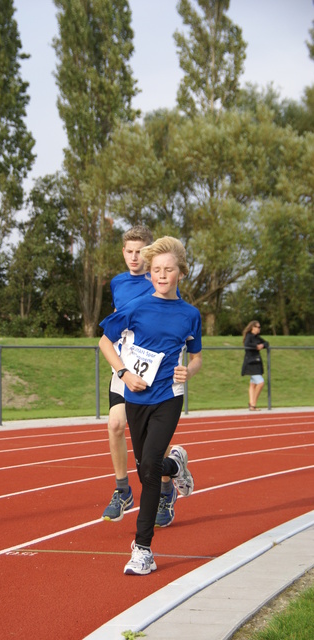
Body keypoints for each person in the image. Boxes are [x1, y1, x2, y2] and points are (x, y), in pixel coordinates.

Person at [99, 236, 202, 575]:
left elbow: (197, 356)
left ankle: (142, 549)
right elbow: (104, 341)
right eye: (156, 270)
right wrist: (125, 374)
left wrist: (190, 370)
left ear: (180, 273)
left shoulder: (190, 314)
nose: (161, 275)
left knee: (149, 467)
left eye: (168, 270)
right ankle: (177, 465)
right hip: (136, 397)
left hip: (169, 397)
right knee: (148, 469)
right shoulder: (138, 307)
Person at [102, 225, 177, 529]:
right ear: (123, 252)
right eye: (129, 251)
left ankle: (167, 489)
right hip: (123, 366)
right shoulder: (117, 283)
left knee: (150, 445)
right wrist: (120, 363)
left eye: (139, 252)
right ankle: (123, 490)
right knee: (115, 424)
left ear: (149, 252)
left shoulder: (160, 281)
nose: (134, 257)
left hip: (153, 371)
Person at [241, 320, 269, 411]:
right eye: (258, 327)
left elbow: (266, 343)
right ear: (253, 327)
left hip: (257, 363)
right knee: (260, 383)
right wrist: (256, 346)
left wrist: (262, 345)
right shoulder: (249, 336)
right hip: (251, 363)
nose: (259, 329)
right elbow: (247, 344)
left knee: (252, 384)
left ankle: (252, 403)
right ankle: (253, 403)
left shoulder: (257, 337)